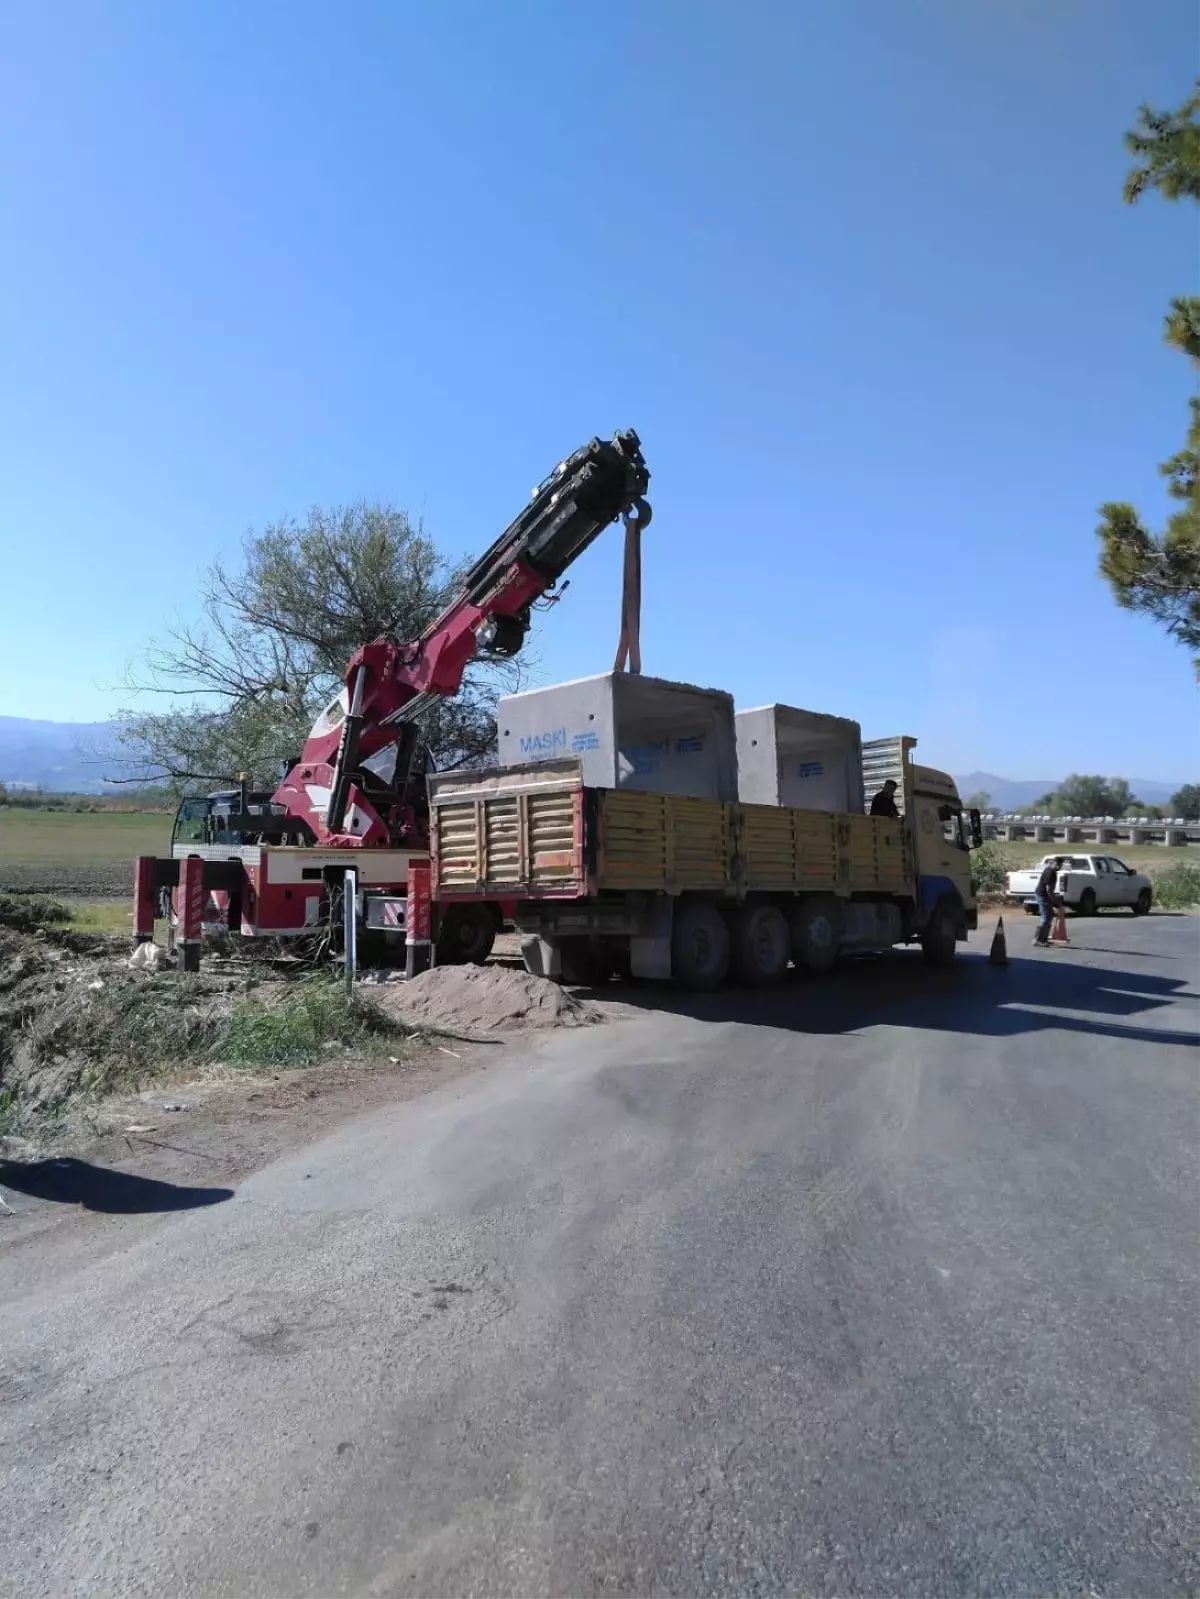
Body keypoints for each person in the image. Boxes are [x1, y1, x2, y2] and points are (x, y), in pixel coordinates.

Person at [1033, 856, 1063, 946]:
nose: (1058, 866)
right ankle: (1038, 940)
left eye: (1060, 865)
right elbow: (1049, 890)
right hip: (1042, 895)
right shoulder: (1050, 872)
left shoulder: (1053, 871)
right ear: (1052, 863)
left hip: (1045, 895)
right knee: (1045, 917)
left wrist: (1054, 902)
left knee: (1050, 916)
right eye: (1057, 864)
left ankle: (1043, 939)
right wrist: (1056, 903)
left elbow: (1050, 891)